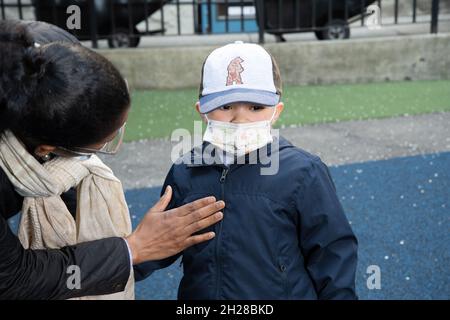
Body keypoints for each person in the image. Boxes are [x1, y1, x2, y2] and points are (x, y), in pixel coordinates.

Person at [0, 20, 224, 300]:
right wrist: (133, 248)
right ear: (46, 149)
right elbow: (13, 278)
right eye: (101, 144)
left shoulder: (44, 50)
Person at [137, 41, 358, 299]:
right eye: (225, 106)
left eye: (256, 107)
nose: (240, 119)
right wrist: (122, 259)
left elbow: (332, 251)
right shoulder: (185, 171)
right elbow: (160, 242)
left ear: (276, 112)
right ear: (203, 112)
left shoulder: (303, 171)